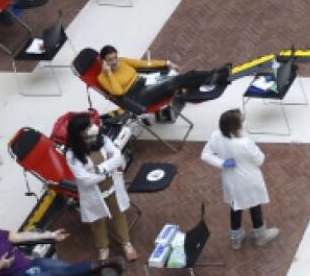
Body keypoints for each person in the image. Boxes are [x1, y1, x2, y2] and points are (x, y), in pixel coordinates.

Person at [201, 109, 280, 248]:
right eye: (241, 119)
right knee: (255, 205)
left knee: (235, 207)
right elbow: (260, 160)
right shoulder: (245, 142)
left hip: (230, 180)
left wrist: (222, 163)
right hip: (249, 179)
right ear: (235, 125)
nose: (243, 120)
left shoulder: (216, 135)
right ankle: (261, 235)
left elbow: (206, 154)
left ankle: (236, 239)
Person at [63, 113, 135, 262]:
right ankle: (103, 247)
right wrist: (107, 171)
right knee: (97, 221)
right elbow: (85, 180)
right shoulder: (72, 155)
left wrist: (98, 170)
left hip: (112, 187)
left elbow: (117, 157)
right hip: (93, 193)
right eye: (88, 126)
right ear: (79, 132)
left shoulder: (102, 140)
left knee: (118, 214)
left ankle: (126, 243)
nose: (93, 127)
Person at [95, 45, 228, 116]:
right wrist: (109, 73)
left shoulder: (122, 61)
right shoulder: (102, 77)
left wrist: (167, 62)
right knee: (174, 81)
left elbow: (144, 64)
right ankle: (211, 77)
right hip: (138, 98)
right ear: (103, 61)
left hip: (146, 83)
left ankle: (212, 76)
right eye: (110, 60)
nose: (114, 62)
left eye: (115, 57)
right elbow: (118, 92)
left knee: (182, 77)